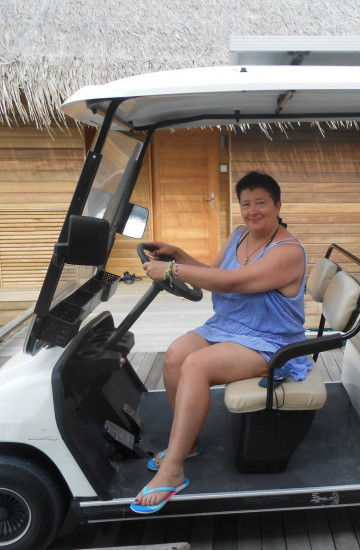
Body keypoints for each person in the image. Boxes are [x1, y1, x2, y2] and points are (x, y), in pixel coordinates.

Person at [132, 171, 311, 514]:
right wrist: (179, 255)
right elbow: (214, 275)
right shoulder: (239, 235)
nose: (252, 211)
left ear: (278, 206)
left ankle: (173, 470)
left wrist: (172, 271)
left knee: (196, 365)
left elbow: (233, 283)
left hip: (270, 341)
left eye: (261, 203)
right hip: (227, 326)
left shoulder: (288, 252)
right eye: (246, 204)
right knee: (175, 355)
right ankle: (188, 444)